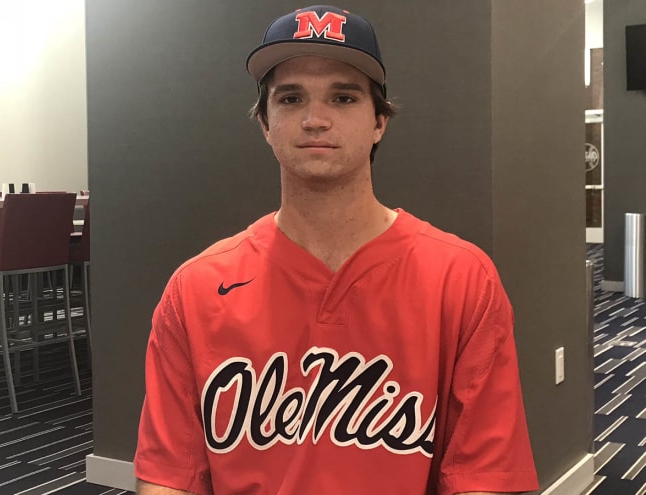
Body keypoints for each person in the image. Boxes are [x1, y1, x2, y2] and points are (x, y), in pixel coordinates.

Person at [134, 5, 539, 495]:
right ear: (265, 123)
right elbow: (169, 479)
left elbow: (483, 479)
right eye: (290, 98)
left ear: (379, 123)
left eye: (343, 97)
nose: (314, 119)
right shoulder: (195, 289)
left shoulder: (462, 278)